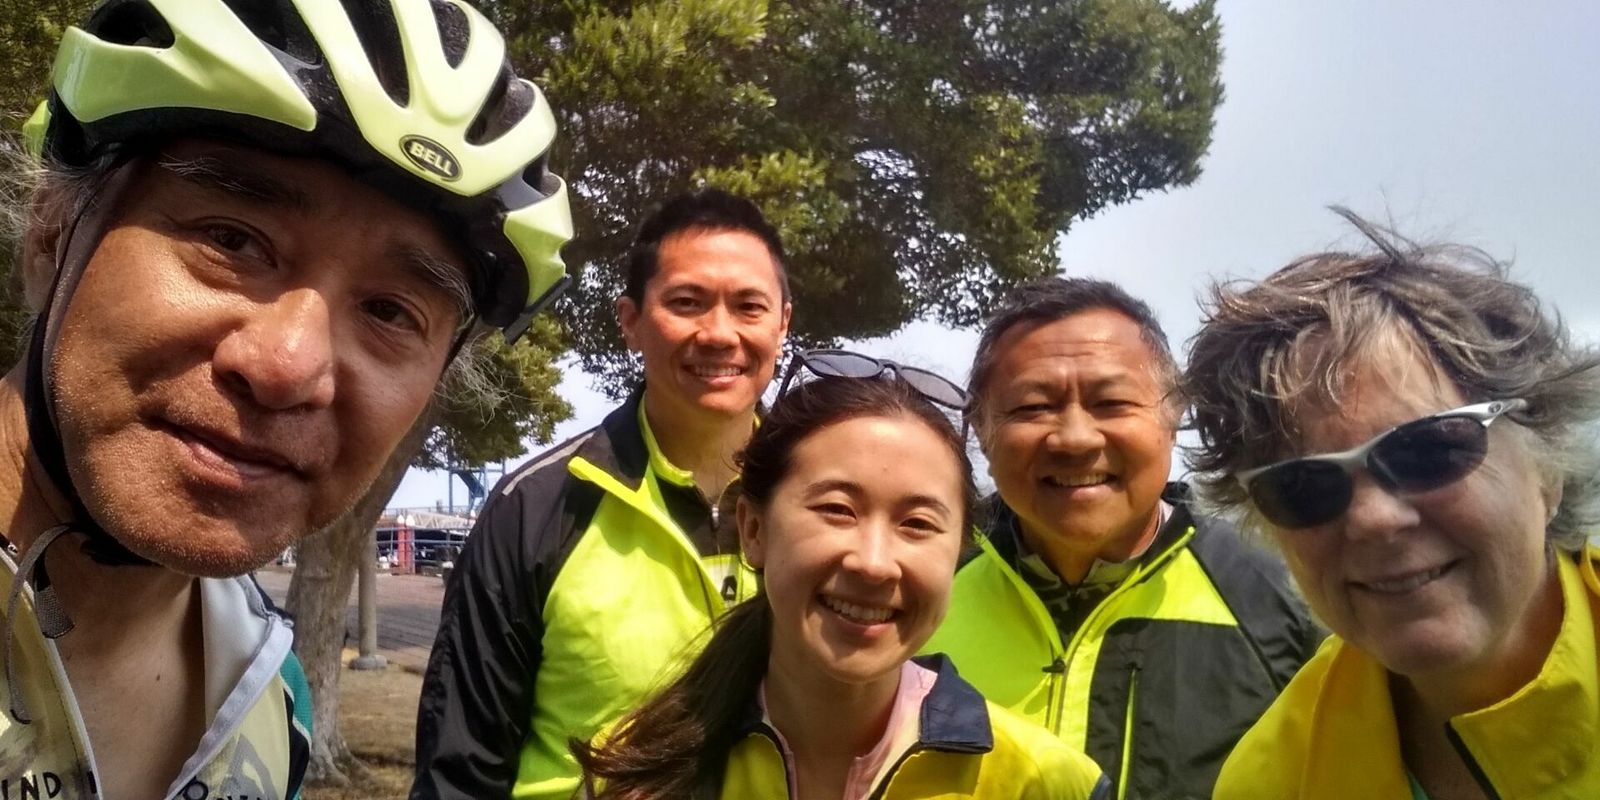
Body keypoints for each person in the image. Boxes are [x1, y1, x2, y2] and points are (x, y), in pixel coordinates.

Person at [0, 1, 571, 797]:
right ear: (52, 233)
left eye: (390, 312)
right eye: (230, 240)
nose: (286, 367)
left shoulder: (273, 704)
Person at [1185, 211, 1600, 800]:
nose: (1374, 519)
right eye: (1303, 487)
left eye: (1429, 450)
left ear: (1548, 467)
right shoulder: (1273, 780)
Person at [574, 357, 1112, 799]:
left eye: (917, 524)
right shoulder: (636, 771)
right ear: (754, 530)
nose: (873, 563)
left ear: (957, 553)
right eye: (837, 510)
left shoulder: (1046, 784)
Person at [413, 188, 791, 798]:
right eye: (687, 303)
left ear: (783, 324)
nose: (720, 334)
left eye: (749, 307)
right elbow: (460, 768)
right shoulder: (536, 507)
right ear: (630, 322)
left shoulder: (824, 506)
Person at [924, 278, 1323, 799]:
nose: (1074, 438)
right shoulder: (919, 589)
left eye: (1110, 402)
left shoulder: (1287, 595)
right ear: (980, 427)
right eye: (1032, 407)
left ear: (1174, 413)